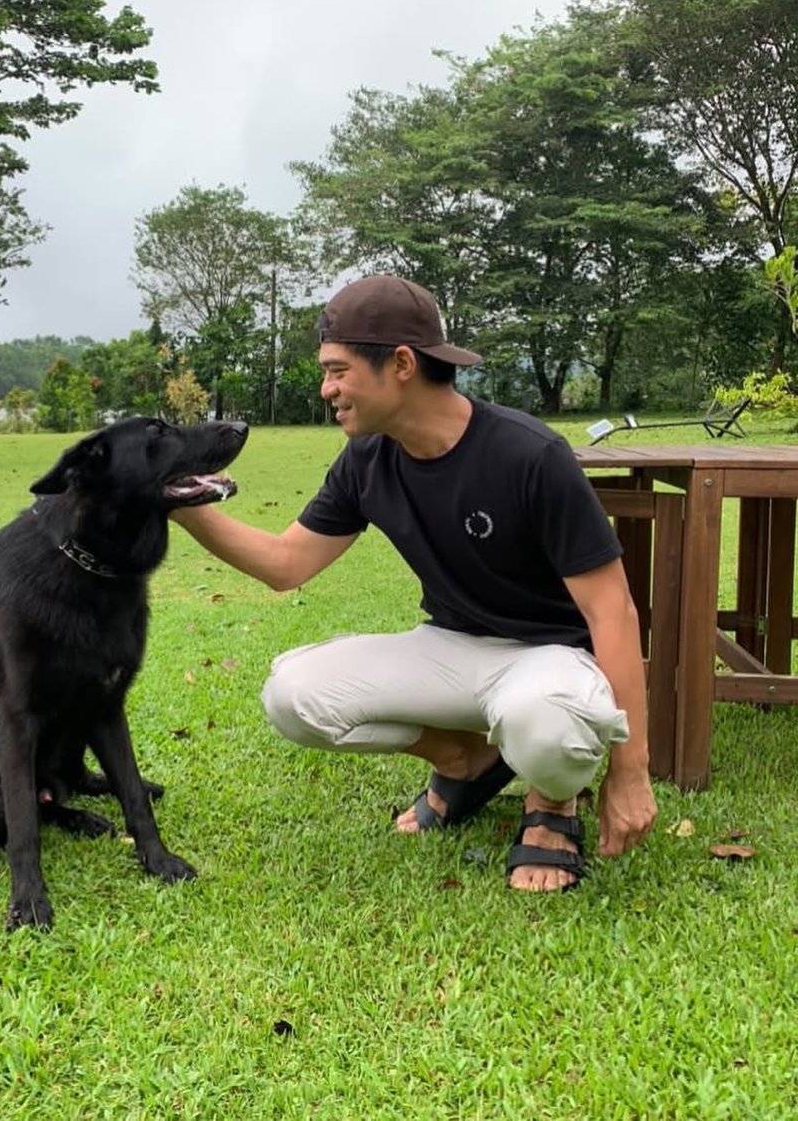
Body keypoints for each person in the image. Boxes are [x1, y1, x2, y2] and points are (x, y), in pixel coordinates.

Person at [172, 275, 657, 892]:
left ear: (401, 364)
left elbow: (612, 611)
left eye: (337, 370)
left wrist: (630, 769)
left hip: (551, 656)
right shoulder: (367, 459)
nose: (327, 390)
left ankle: (552, 806)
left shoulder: (529, 454)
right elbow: (286, 563)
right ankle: (466, 760)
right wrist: (184, 504)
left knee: (545, 724)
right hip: (450, 647)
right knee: (293, 696)